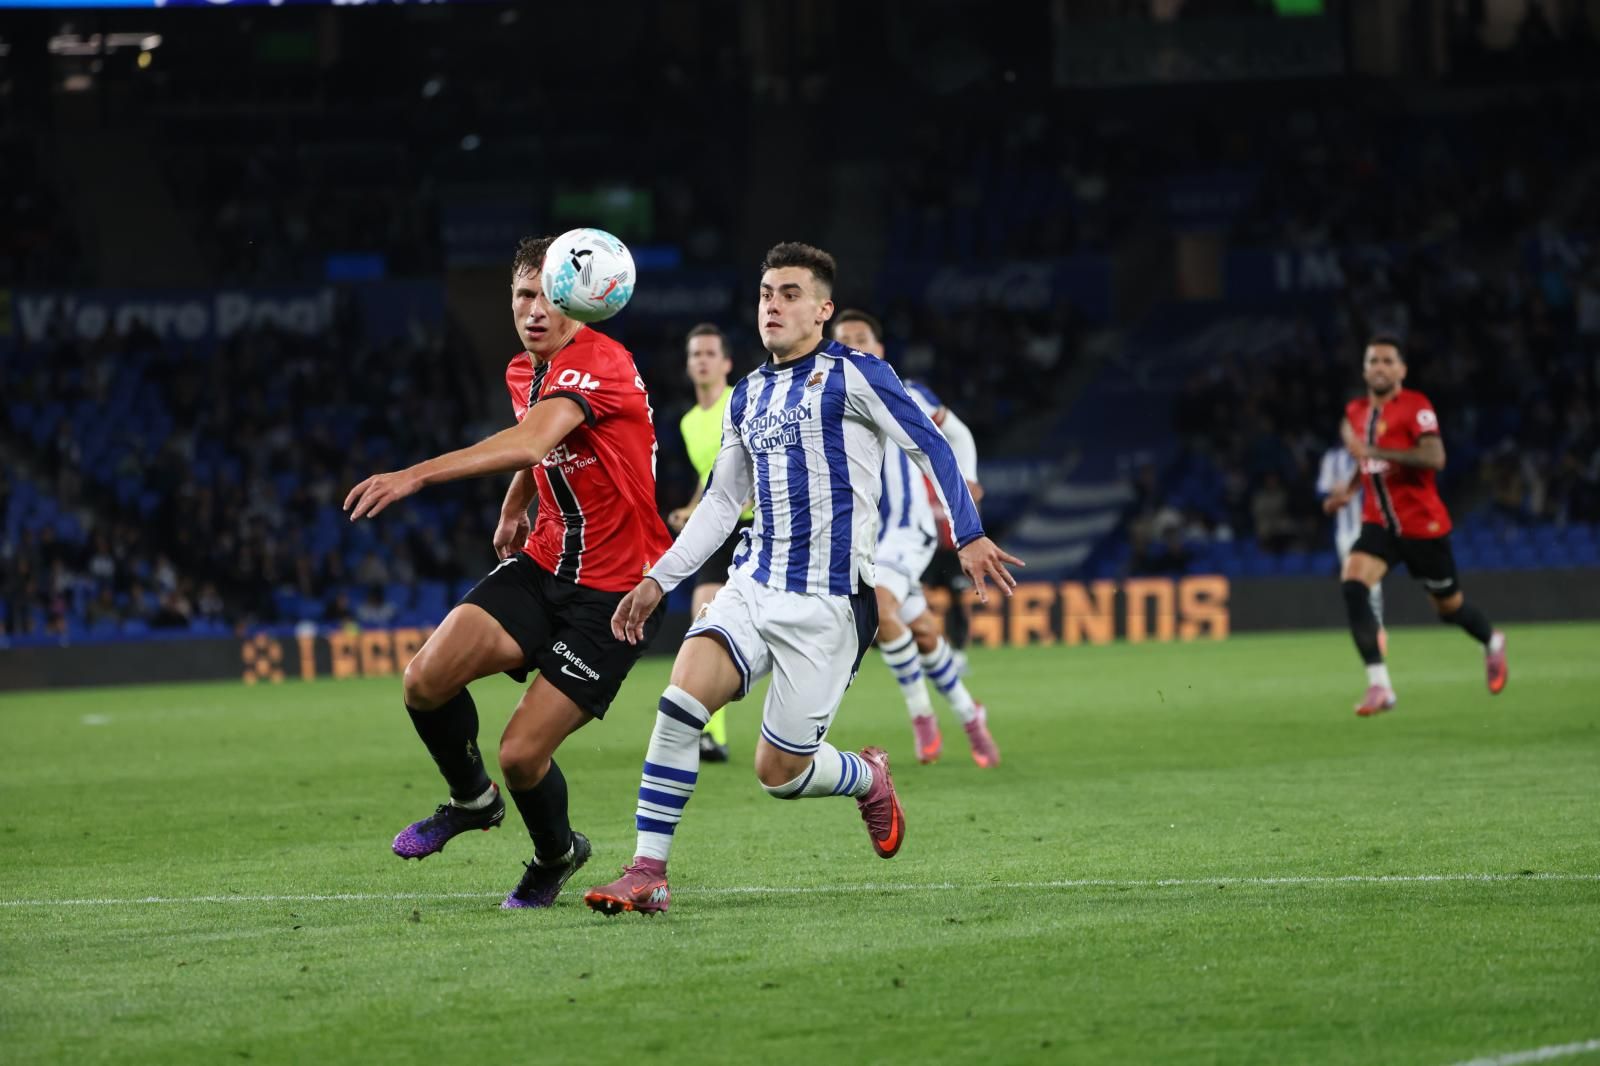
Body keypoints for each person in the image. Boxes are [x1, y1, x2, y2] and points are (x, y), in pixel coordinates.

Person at [582, 241, 1021, 916]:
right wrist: (658, 579)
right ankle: (647, 871)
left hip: (831, 603)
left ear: (822, 310)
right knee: (679, 703)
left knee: (778, 775)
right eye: (765, 294)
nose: (774, 305)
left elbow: (930, 445)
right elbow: (723, 502)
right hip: (753, 582)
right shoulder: (746, 395)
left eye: (790, 294)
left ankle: (865, 774)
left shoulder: (860, 375)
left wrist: (967, 533)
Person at [343, 235, 673, 908]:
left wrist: (415, 475)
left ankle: (556, 854)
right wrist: (514, 505)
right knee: (425, 680)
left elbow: (530, 438)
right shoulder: (525, 370)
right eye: (522, 295)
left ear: (578, 300)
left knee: (522, 754)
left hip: (615, 593)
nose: (533, 310)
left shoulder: (600, 362)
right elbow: (542, 447)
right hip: (546, 561)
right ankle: (471, 800)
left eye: (548, 295)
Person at [830, 309, 998, 767]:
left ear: (880, 350)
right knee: (921, 631)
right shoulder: (826, 399)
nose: (853, 347)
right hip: (865, 536)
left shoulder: (909, 393)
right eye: (842, 340)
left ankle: (921, 715)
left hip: (909, 527)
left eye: (861, 338)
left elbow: (957, 432)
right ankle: (969, 713)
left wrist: (968, 479)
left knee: (879, 608)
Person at [1323, 336, 1508, 716]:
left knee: (1448, 609)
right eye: (1373, 360)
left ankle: (1492, 642)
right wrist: (1351, 490)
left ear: (1401, 370)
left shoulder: (1416, 407)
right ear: (1363, 369)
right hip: (1379, 525)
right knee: (1353, 581)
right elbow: (1365, 461)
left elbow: (1434, 457)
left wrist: (1374, 452)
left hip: (1423, 527)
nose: (1380, 367)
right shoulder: (1356, 411)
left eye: (1388, 361)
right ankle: (1380, 686)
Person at [665, 323, 753, 763]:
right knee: (704, 617)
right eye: (695, 353)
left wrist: (746, 497)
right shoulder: (688, 422)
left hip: (762, 525)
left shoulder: (742, 400)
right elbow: (711, 473)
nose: (701, 359)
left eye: (709, 353)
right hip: (723, 530)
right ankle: (709, 734)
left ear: (726, 363)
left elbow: (758, 456)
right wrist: (691, 509)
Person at [1317, 441, 1386, 653]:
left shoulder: (1371, 454)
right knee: (1352, 582)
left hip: (1368, 526)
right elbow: (1321, 491)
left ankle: (1378, 629)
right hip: (1343, 531)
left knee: (1371, 580)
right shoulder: (1331, 458)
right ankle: (1364, 627)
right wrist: (1333, 492)